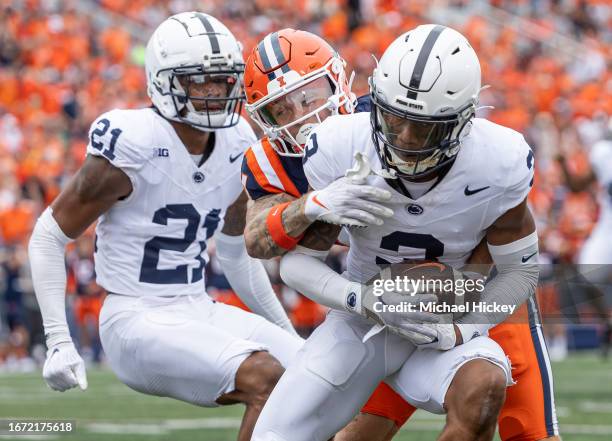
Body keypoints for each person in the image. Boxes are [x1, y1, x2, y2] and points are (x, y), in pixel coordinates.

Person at [243, 27, 561, 441]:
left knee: (503, 408)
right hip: (364, 314)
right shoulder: (339, 145)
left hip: (466, 301)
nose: (407, 140)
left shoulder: (498, 161)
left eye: (426, 128)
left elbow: (515, 267)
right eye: (280, 110)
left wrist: (461, 312)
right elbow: (271, 250)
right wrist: (314, 206)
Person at [28, 13, 302, 441]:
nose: (215, 92)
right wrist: (59, 340)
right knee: (266, 377)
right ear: (165, 81)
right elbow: (48, 235)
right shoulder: (134, 143)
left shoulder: (238, 143)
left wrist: (286, 333)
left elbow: (234, 253)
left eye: (222, 80)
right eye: (199, 81)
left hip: (197, 306)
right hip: (134, 318)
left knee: (315, 377)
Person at [242, 29, 412, 441]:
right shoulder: (271, 161)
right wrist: (314, 204)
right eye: (281, 110)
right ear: (263, 119)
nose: (302, 115)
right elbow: (257, 239)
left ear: (338, 80)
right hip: (372, 296)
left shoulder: (388, 117)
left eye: (309, 95)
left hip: (452, 280)